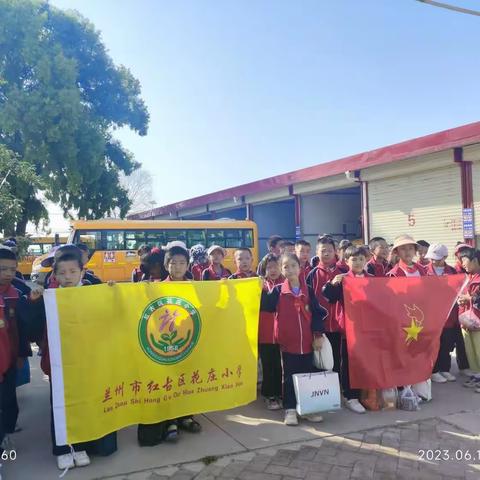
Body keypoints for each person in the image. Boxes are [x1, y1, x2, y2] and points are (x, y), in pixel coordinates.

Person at [19, 253, 115, 471]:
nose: (68, 276)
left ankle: (80, 445)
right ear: (54, 274)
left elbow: (110, 315)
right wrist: (33, 302)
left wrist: (111, 292)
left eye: (73, 271)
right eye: (61, 272)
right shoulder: (49, 296)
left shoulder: (92, 293)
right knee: (61, 405)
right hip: (59, 363)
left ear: (82, 271)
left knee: (85, 403)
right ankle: (62, 448)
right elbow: (31, 325)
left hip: (88, 361)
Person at [260, 253, 327, 426]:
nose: (290, 270)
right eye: (285, 267)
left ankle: (307, 408)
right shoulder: (277, 291)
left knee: (307, 376)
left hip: (308, 343)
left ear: (300, 267)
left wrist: (318, 335)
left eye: (293, 266)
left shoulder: (308, 289)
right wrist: (259, 290)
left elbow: (318, 314)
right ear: (281, 270)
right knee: (289, 377)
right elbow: (265, 306)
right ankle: (290, 409)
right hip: (288, 344)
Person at [322, 245, 371, 414]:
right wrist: (332, 283)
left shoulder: (371, 279)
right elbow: (328, 295)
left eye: (361, 259)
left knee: (364, 361)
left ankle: (365, 393)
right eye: (354, 259)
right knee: (348, 363)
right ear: (346, 261)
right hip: (348, 330)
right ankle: (350, 396)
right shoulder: (342, 279)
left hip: (367, 329)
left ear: (367, 260)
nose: (358, 262)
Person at [0, 247, 30, 452]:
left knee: (8, 398)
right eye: (2, 269)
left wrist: (21, 353)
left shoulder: (17, 292)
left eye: (12, 269)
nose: (8, 274)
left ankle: (7, 429)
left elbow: (23, 327)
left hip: (9, 359)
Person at [307, 235, 348, 377]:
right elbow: (308, 301)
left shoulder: (344, 273)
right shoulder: (312, 274)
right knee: (321, 360)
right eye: (323, 250)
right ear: (317, 253)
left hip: (338, 326)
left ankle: (338, 390)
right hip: (320, 326)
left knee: (337, 359)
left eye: (329, 250)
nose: (326, 253)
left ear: (335, 251)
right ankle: (322, 392)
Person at [424, 244, 459, 383]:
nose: (433, 261)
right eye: (431, 258)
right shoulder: (424, 271)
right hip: (430, 314)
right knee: (433, 344)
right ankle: (434, 371)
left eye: (436, 258)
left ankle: (445, 369)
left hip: (448, 314)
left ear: (444, 257)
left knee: (446, 343)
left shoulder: (452, 271)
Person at [257, 254, 284, 410]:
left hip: (283, 332)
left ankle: (280, 393)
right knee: (268, 365)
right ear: (264, 269)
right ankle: (269, 395)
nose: (273, 270)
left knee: (280, 366)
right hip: (265, 333)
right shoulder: (260, 284)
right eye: (269, 267)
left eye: (276, 266)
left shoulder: (286, 282)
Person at [457, 248, 480, 391]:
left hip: (477, 322)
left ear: (475, 260)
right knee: (471, 352)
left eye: (464, 259)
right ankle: (476, 376)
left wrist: (469, 299)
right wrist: (461, 301)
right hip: (466, 321)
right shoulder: (467, 277)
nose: (462, 263)